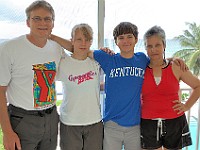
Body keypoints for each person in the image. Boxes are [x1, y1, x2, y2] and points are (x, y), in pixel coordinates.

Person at [50, 22, 186, 150]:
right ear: (116, 41)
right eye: (121, 37)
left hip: (135, 125)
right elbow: (80, 49)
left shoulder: (142, 59)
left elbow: (157, 60)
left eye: (129, 37)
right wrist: (52, 37)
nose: (125, 41)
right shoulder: (107, 58)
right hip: (111, 125)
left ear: (136, 39)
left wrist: (173, 59)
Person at [0, 1, 72, 150]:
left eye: (47, 19)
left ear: (53, 23)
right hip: (22, 120)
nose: (43, 23)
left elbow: (77, 50)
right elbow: (0, 92)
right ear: (27, 22)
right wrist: (7, 132)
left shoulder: (56, 48)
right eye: (37, 18)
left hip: (51, 117)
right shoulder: (9, 48)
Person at [140, 25, 200, 150]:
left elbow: (198, 86)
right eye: (149, 46)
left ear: (164, 45)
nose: (154, 49)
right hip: (148, 123)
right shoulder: (140, 69)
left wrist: (186, 106)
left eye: (157, 45)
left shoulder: (176, 67)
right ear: (145, 48)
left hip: (174, 122)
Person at [56, 23, 103, 150]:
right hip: (70, 123)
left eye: (87, 40)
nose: (83, 43)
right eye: (79, 39)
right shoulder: (63, 62)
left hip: (94, 122)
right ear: (71, 40)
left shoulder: (97, 62)